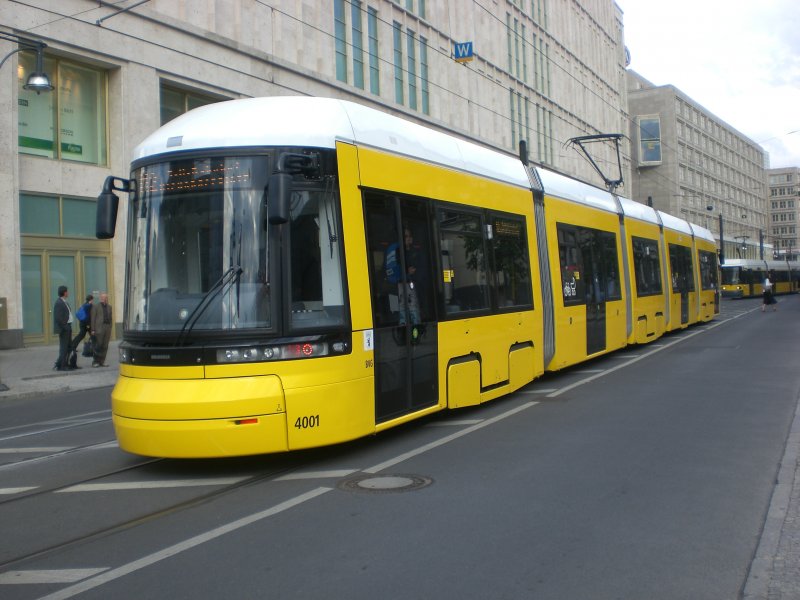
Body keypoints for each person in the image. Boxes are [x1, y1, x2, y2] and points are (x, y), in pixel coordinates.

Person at [53, 285, 74, 371]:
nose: (68, 293)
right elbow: (58, 318)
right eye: (67, 291)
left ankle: (64, 363)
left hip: (68, 327)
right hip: (64, 329)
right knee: (64, 347)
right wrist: (65, 327)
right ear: (64, 292)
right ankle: (61, 366)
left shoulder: (64, 302)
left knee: (68, 347)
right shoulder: (59, 303)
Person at [90, 292, 113, 367]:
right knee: (98, 345)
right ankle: (95, 361)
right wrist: (93, 329)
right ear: (100, 298)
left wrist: (110, 327)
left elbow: (111, 318)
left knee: (105, 345)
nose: (105, 299)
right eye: (103, 298)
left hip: (107, 327)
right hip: (99, 328)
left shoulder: (109, 307)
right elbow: (93, 318)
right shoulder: (96, 306)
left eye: (106, 298)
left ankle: (102, 361)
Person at [70, 294, 93, 364]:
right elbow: (88, 316)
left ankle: (72, 346)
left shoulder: (84, 305)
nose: (92, 301)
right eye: (92, 300)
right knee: (92, 335)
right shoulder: (88, 306)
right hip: (86, 324)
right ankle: (95, 347)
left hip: (82, 323)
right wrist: (88, 325)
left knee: (81, 335)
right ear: (91, 300)